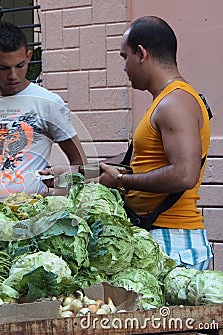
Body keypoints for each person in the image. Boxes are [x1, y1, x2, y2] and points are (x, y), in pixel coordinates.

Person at [97, 16, 213, 270]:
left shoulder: (175, 102)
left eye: (124, 57)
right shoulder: (165, 101)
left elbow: (184, 174)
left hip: (173, 240)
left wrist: (120, 180)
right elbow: (137, 161)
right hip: (163, 237)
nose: (124, 67)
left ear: (141, 54)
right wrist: (77, 173)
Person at [0, 21, 86, 205]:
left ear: (29, 57)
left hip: (32, 214)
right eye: (4, 68)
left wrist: (62, 178)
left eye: (20, 65)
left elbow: (80, 163)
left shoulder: (48, 103)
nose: (13, 75)